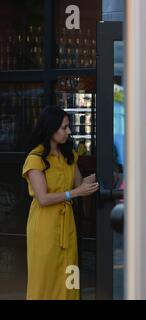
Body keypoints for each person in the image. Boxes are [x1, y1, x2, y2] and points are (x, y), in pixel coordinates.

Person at [22, 106, 99, 300]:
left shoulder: (68, 156)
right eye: (64, 127)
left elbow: (80, 186)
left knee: (69, 275)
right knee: (45, 279)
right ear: (50, 129)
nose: (69, 132)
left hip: (67, 227)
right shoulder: (35, 159)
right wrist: (75, 192)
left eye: (68, 127)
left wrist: (104, 174)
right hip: (44, 228)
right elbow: (43, 198)